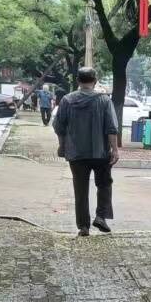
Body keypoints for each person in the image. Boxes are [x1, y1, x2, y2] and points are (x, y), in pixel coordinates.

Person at [53, 67, 121, 237]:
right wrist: (114, 149)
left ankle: (83, 226)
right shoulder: (104, 100)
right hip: (100, 153)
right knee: (104, 184)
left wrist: (62, 146)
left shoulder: (67, 100)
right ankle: (101, 216)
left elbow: (59, 126)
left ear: (78, 81)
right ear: (95, 81)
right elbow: (111, 128)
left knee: (80, 188)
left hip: (76, 153)